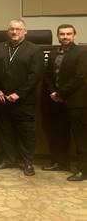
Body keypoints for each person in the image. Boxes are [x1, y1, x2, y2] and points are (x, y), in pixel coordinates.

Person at [0, 19, 44, 176]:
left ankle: (28, 163)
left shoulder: (34, 50)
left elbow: (35, 76)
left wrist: (19, 93)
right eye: (12, 29)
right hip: (1, 99)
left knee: (26, 133)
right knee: (5, 131)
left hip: (24, 101)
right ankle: (8, 159)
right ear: (8, 31)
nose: (15, 32)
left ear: (25, 31)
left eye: (18, 29)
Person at [43, 24, 87, 181]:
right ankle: (60, 163)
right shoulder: (54, 51)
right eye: (62, 34)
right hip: (56, 101)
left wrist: (60, 93)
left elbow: (79, 77)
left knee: (80, 138)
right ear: (58, 36)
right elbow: (47, 74)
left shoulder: (82, 52)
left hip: (75, 102)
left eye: (69, 34)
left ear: (74, 35)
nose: (65, 37)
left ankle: (83, 170)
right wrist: (52, 92)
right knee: (59, 134)